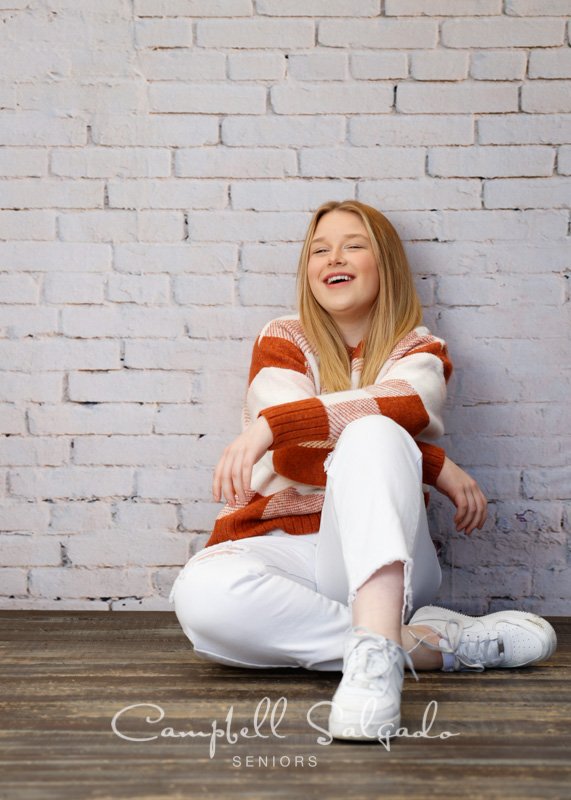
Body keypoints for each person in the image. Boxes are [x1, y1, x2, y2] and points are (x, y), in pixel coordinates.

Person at [169, 199, 557, 742]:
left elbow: (403, 407)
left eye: (354, 244)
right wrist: (434, 463)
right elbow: (295, 453)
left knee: (374, 432)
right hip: (288, 549)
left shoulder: (421, 350)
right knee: (202, 595)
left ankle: (375, 672)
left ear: (386, 264)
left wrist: (270, 425)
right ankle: (434, 645)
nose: (334, 257)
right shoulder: (283, 337)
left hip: (384, 559)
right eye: (319, 249)